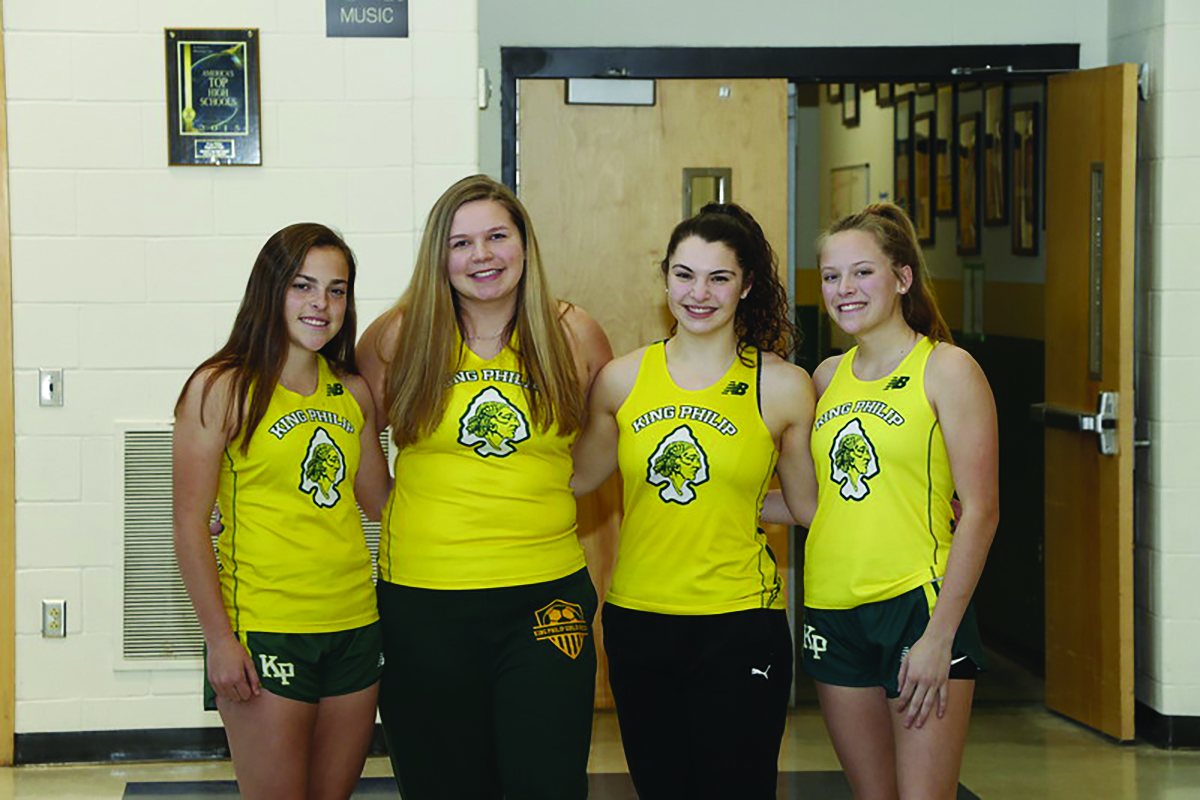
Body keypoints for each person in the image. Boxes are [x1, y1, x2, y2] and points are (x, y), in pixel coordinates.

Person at [356, 175, 612, 799]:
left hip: (544, 599)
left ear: (525, 245)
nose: (483, 256)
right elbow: (352, 451)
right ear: (439, 256)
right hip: (424, 601)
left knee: (546, 783)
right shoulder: (397, 336)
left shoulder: (573, 332)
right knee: (442, 783)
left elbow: (601, 454)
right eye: (462, 242)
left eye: (498, 236)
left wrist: (540, 495)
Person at [571, 203, 817, 799]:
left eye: (719, 277)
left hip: (739, 624)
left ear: (747, 284)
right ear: (665, 279)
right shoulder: (622, 379)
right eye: (684, 275)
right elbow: (573, 482)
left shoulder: (782, 385)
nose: (698, 293)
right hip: (638, 621)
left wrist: (732, 505)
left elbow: (808, 508)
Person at [772, 203, 999, 800]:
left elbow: (980, 510)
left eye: (862, 273)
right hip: (831, 610)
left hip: (916, 609)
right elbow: (812, 503)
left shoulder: (947, 370)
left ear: (902, 279)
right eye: (830, 276)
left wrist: (939, 638)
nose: (844, 289)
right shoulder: (823, 378)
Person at [173, 223, 391, 800]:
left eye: (337, 289)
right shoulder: (221, 387)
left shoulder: (353, 393)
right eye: (303, 285)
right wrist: (219, 638)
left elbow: (382, 503)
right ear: (271, 290)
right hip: (266, 630)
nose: (322, 304)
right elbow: (188, 524)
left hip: (354, 627)